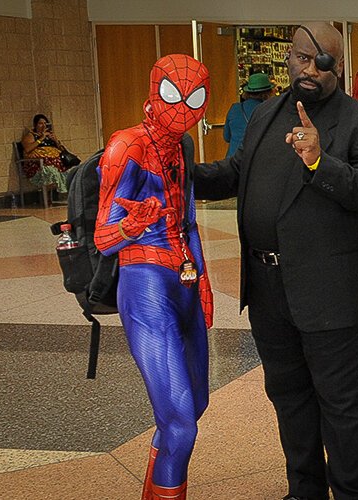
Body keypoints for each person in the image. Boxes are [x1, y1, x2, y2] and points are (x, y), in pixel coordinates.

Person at [189, 22, 358, 500]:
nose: (308, 69)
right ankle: (305, 491)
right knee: (290, 401)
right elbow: (235, 172)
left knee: (346, 410)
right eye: (301, 58)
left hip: (335, 296)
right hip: (269, 291)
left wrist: (320, 161)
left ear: (338, 66)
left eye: (320, 61)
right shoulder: (265, 115)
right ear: (288, 58)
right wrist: (181, 173)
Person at [93, 54, 213, 500]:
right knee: (180, 422)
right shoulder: (126, 146)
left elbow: (189, 221)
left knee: (192, 408)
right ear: (154, 90)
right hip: (144, 280)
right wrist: (132, 225)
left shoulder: (183, 147)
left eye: (194, 97)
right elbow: (103, 239)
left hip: (182, 278)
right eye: (173, 94)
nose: (183, 107)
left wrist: (201, 282)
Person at [20, 114, 73, 192]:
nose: (43, 125)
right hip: (38, 164)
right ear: (35, 125)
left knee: (69, 172)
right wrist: (41, 139)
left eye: (45, 123)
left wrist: (56, 141)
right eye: (40, 123)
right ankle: (47, 198)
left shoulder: (50, 136)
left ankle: (67, 195)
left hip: (56, 163)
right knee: (51, 172)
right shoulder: (30, 136)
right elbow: (28, 149)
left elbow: (62, 150)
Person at [224, 73, 273, 158]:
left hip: (232, 161)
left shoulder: (235, 109)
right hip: (256, 161)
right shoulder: (270, 110)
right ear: (268, 93)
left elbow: (227, 137)